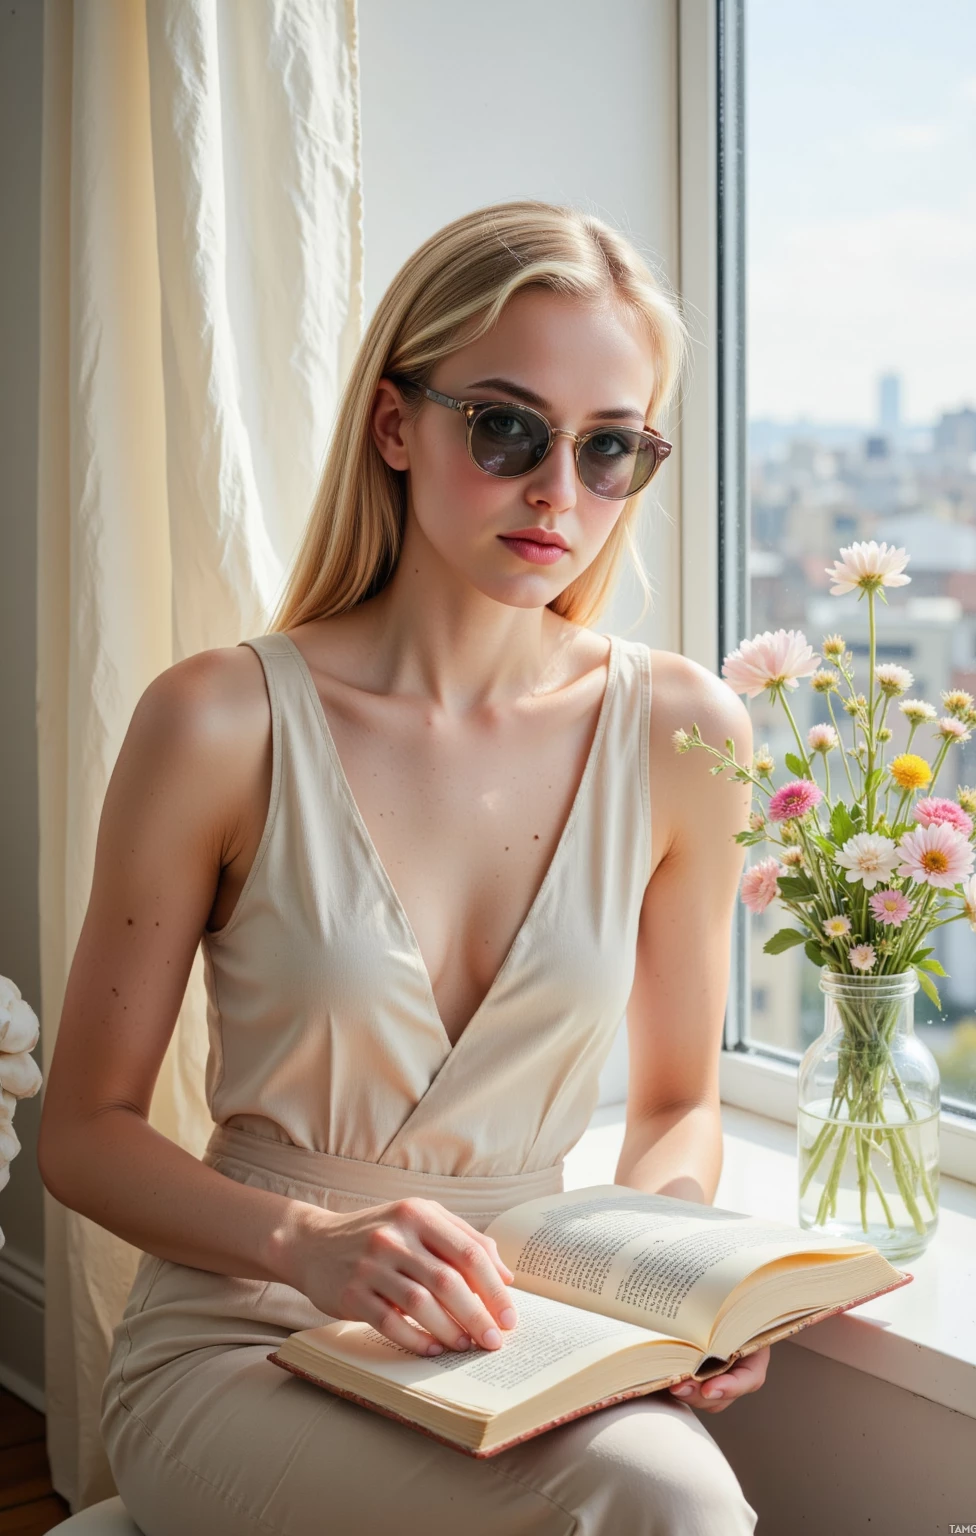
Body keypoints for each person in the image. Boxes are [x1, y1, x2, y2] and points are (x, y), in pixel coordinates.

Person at [38, 201, 763, 1534]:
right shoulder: (219, 721)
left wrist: (671, 1281)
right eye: (506, 428)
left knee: (672, 1496)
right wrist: (306, 1246)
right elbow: (81, 1133)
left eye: (612, 450)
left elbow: (677, 1105)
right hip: (242, 1333)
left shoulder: (683, 736)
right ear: (395, 427)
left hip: (519, 1329)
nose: (560, 490)